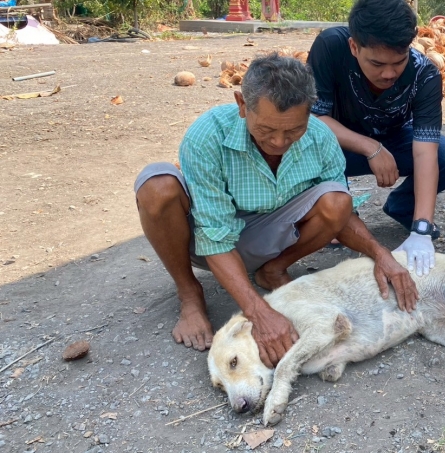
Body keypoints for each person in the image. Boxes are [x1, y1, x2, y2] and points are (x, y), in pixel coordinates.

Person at [134, 54, 418, 368]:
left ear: (310, 111)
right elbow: (214, 236)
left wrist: (380, 253)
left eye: (294, 130)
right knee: (156, 185)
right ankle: (189, 294)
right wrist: (260, 313)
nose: (280, 142)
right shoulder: (208, 135)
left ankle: (272, 270)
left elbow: (341, 216)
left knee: (338, 200)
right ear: (242, 105)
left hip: (271, 238)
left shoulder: (321, 137)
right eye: (267, 129)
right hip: (206, 241)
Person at [307, 0, 445, 277]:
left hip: (393, 138)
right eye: (377, 64)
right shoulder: (330, 47)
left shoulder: (424, 74)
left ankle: (403, 207)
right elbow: (314, 119)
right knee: (301, 144)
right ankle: (338, 212)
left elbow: (425, 151)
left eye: (398, 62)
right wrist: (370, 147)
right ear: (354, 46)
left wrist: (422, 228)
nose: (389, 74)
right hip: (338, 144)